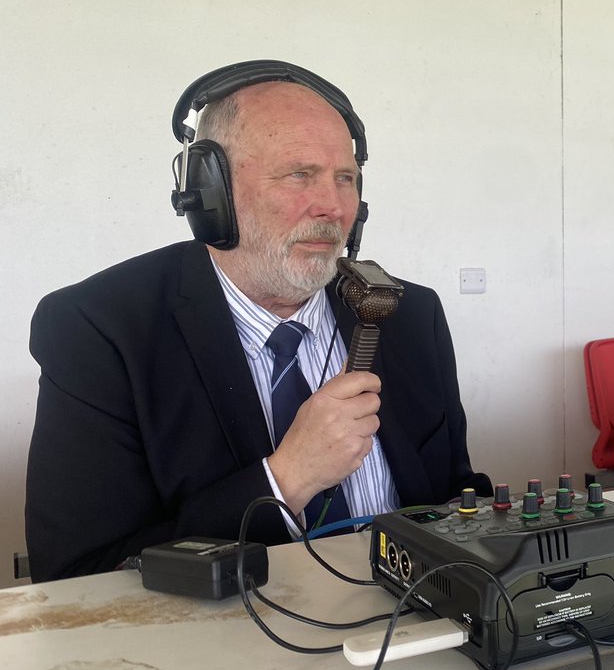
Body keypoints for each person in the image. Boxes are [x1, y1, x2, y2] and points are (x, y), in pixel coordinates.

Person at [26, 61, 488, 581]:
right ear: (209, 193)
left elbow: (456, 499)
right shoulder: (97, 330)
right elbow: (77, 573)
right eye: (299, 174)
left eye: (346, 178)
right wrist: (284, 480)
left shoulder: (408, 314)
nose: (334, 207)